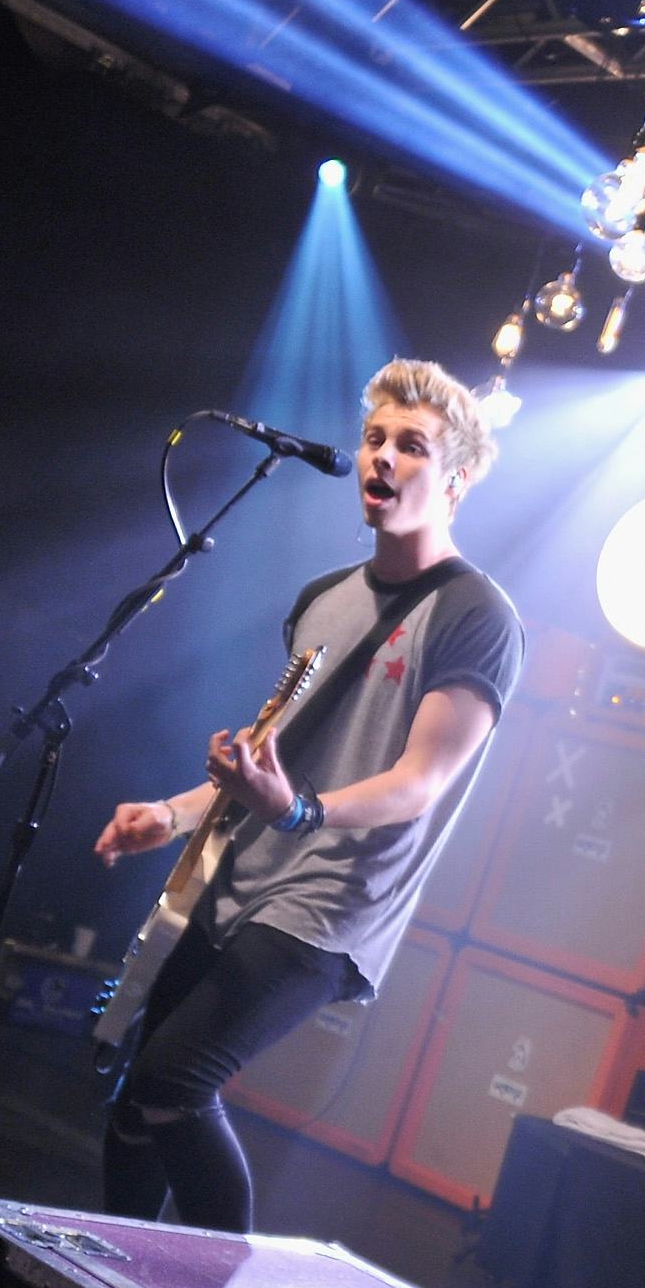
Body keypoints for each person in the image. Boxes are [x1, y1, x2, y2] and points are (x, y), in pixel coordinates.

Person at [91, 358, 524, 1231]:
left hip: (332, 907)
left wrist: (301, 812)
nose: (383, 458)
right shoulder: (323, 599)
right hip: (241, 881)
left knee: (177, 1079)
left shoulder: (478, 616)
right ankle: (106, 1277)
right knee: (137, 1099)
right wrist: (170, 815)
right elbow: (271, 761)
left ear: (457, 479)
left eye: (412, 445)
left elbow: (419, 785)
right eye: (374, 439)